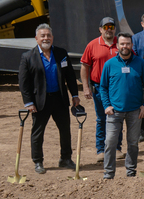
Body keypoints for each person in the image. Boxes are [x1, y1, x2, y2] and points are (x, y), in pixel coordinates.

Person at [19, 23, 80, 174]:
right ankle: (38, 161)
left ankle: (65, 159)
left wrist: (75, 95)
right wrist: (28, 102)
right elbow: (23, 82)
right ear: (36, 38)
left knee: (65, 131)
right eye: (42, 36)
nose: (46, 38)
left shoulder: (61, 53)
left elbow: (70, 76)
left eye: (48, 35)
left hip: (59, 99)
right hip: (40, 102)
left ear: (52, 38)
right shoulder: (28, 57)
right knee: (37, 133)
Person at [98, 32, 144, 179]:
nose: (125, 46)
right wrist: (106, 105)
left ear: (132, 45)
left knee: (133, 143)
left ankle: (131, 172)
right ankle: (109, 174)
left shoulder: (140, 63)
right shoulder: (110, 64)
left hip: (135, 111)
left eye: (128, 44)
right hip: (114, 111)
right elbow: (102, 87)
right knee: (110, 142)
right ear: (117, 46)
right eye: (122, 44)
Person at [79, 17, 119, 155]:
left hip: (118, 88)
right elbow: (85, 67)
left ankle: (117, 147)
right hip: (99, 88)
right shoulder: (92, 45)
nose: (109, 30)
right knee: (101, 118)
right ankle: (101, 149)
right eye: (106, 27)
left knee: (117, 117)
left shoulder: (121, 44)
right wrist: (85, 87)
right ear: (100, 29)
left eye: (111, 27)